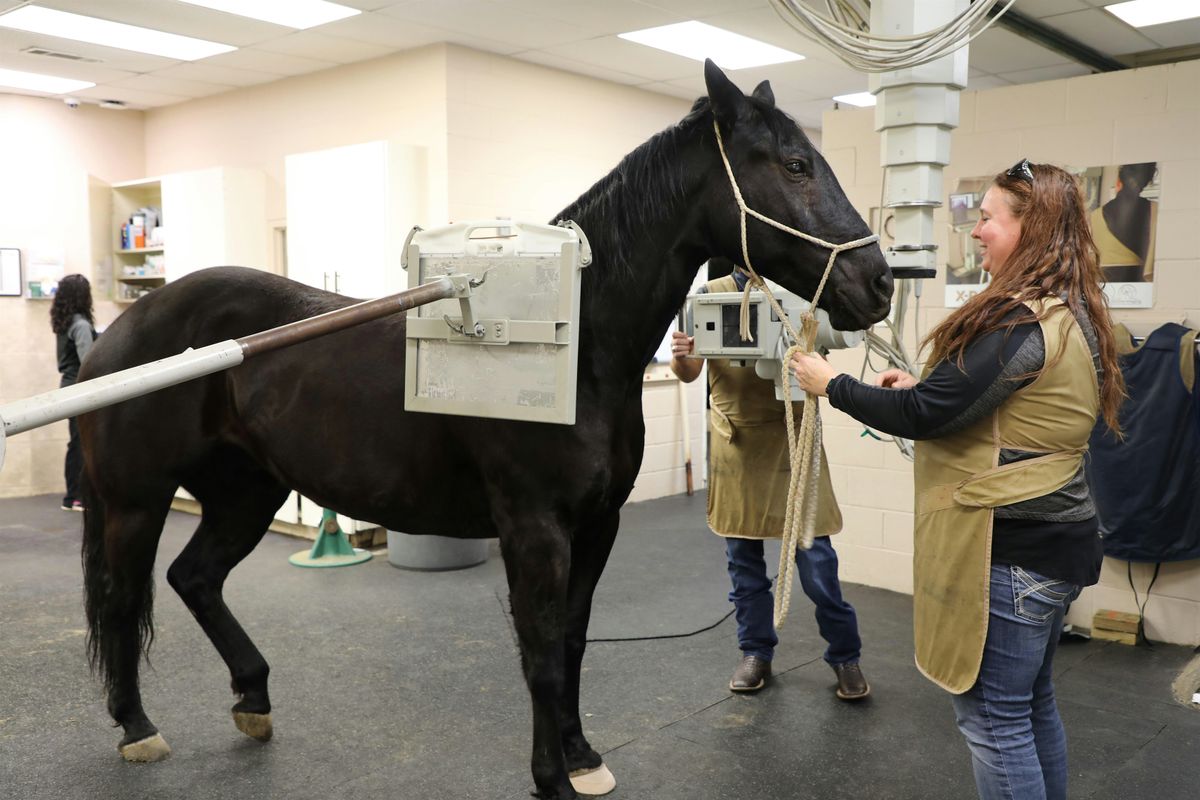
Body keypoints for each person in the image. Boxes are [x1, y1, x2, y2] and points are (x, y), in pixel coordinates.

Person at [790, 159, 1125, 800]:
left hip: (1014, 555)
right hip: (1057, 547)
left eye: (990, 219)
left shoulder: (1015, 319)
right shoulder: (1070, 310)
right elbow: (1000, 409)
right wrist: (925, 384)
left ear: (1033, 229)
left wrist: (832, 384)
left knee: (994, 721)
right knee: (1029, 707)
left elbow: (924, 416)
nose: (976, 231)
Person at [670, 265, 869, 701]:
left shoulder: (803, 286)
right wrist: (683, 354)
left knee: (818, 567)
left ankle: (845, 656)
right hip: (738, 440)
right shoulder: (709, 293)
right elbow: (688, 372)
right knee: (744, 564)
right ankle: (755, 651)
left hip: (793, 437)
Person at [50, 274, 97, 512]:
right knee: (82, 444)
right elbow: (88, 361)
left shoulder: (64, 323)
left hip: (67, 387)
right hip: (79, 390)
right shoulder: (80, 325)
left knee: (75, 443)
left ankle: (71, 497)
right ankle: (78, 497)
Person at [1089, 162, 1157, 283]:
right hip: (1138, 289)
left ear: (1119, 180)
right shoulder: (1155, 211)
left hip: (1104, 287)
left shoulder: (1094, 216)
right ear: (1149, 179)